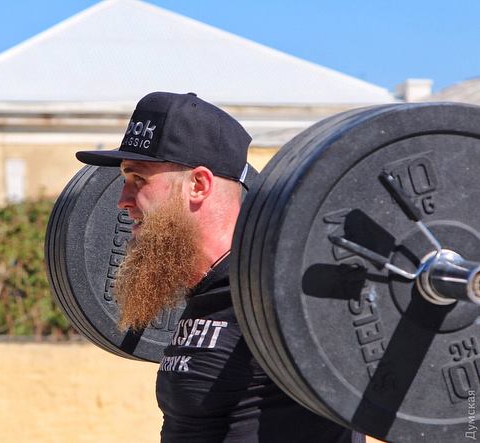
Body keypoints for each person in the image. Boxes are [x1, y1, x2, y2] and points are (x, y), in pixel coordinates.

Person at [76, 92, 365, 443]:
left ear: (198, 185)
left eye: (139, 179)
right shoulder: (205, 292)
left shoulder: (283, 298)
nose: (122, 200)